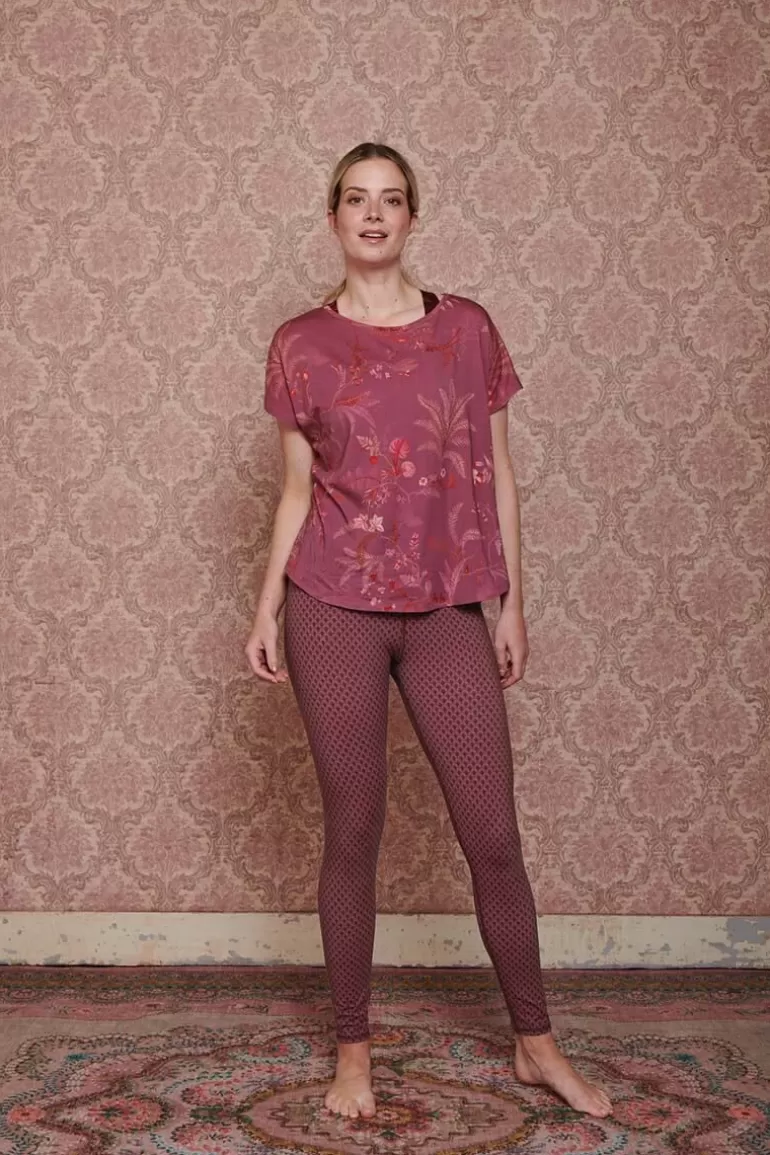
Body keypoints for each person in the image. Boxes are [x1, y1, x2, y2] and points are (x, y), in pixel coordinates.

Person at [245, 142, 612, 1122]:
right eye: (355, 199)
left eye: (391, 199)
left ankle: (536, 1044)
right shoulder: (299, 343)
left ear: (413, 217)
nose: (373, 214)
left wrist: (512, 601)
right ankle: (352, 1053)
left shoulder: (467, 330)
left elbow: (500, 473)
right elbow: (295, 492)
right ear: (332, 217)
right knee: (353, 829)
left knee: (492, 833)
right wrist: (265, 604)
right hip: (332, 606)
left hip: (448, 606)